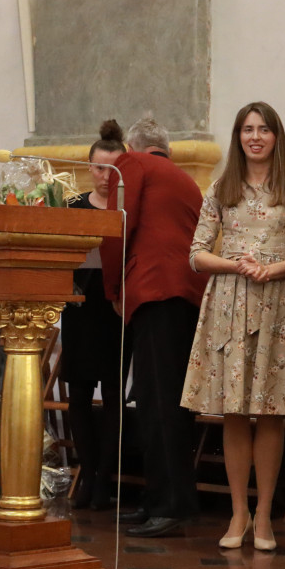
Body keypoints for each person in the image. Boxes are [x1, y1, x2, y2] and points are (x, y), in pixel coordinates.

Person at [181, 101, 285, 551]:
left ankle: (264, 515)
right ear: (238, 136)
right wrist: (236, 266)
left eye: (264, 129)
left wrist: (275, 268)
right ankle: (237, 512)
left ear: (276, 137)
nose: (255, 137)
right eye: (248, 129)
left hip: (280, 303)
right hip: (229, 300)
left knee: (270, 412)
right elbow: (196, 252)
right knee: (234, 410)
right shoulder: (221, 186)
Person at [99, 116, 209, 537]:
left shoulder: (132, 164)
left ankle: (170, 503)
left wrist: (112, 288)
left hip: (154, 289)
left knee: (156, 402)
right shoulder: (184, 179)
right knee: (164, 400)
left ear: (132, 145)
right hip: (185, 293)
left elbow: (116, 228)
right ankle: (158, 499)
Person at [61, 120, 126, 511]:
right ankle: (87, 471)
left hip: (117, 311)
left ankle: (107, 476)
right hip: (81, 309)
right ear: (90, 168)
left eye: (114, 170)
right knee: (80, 397)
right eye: (100, 168)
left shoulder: (128, 211)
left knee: (115, 397)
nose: (106, 177)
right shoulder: (72, 208)